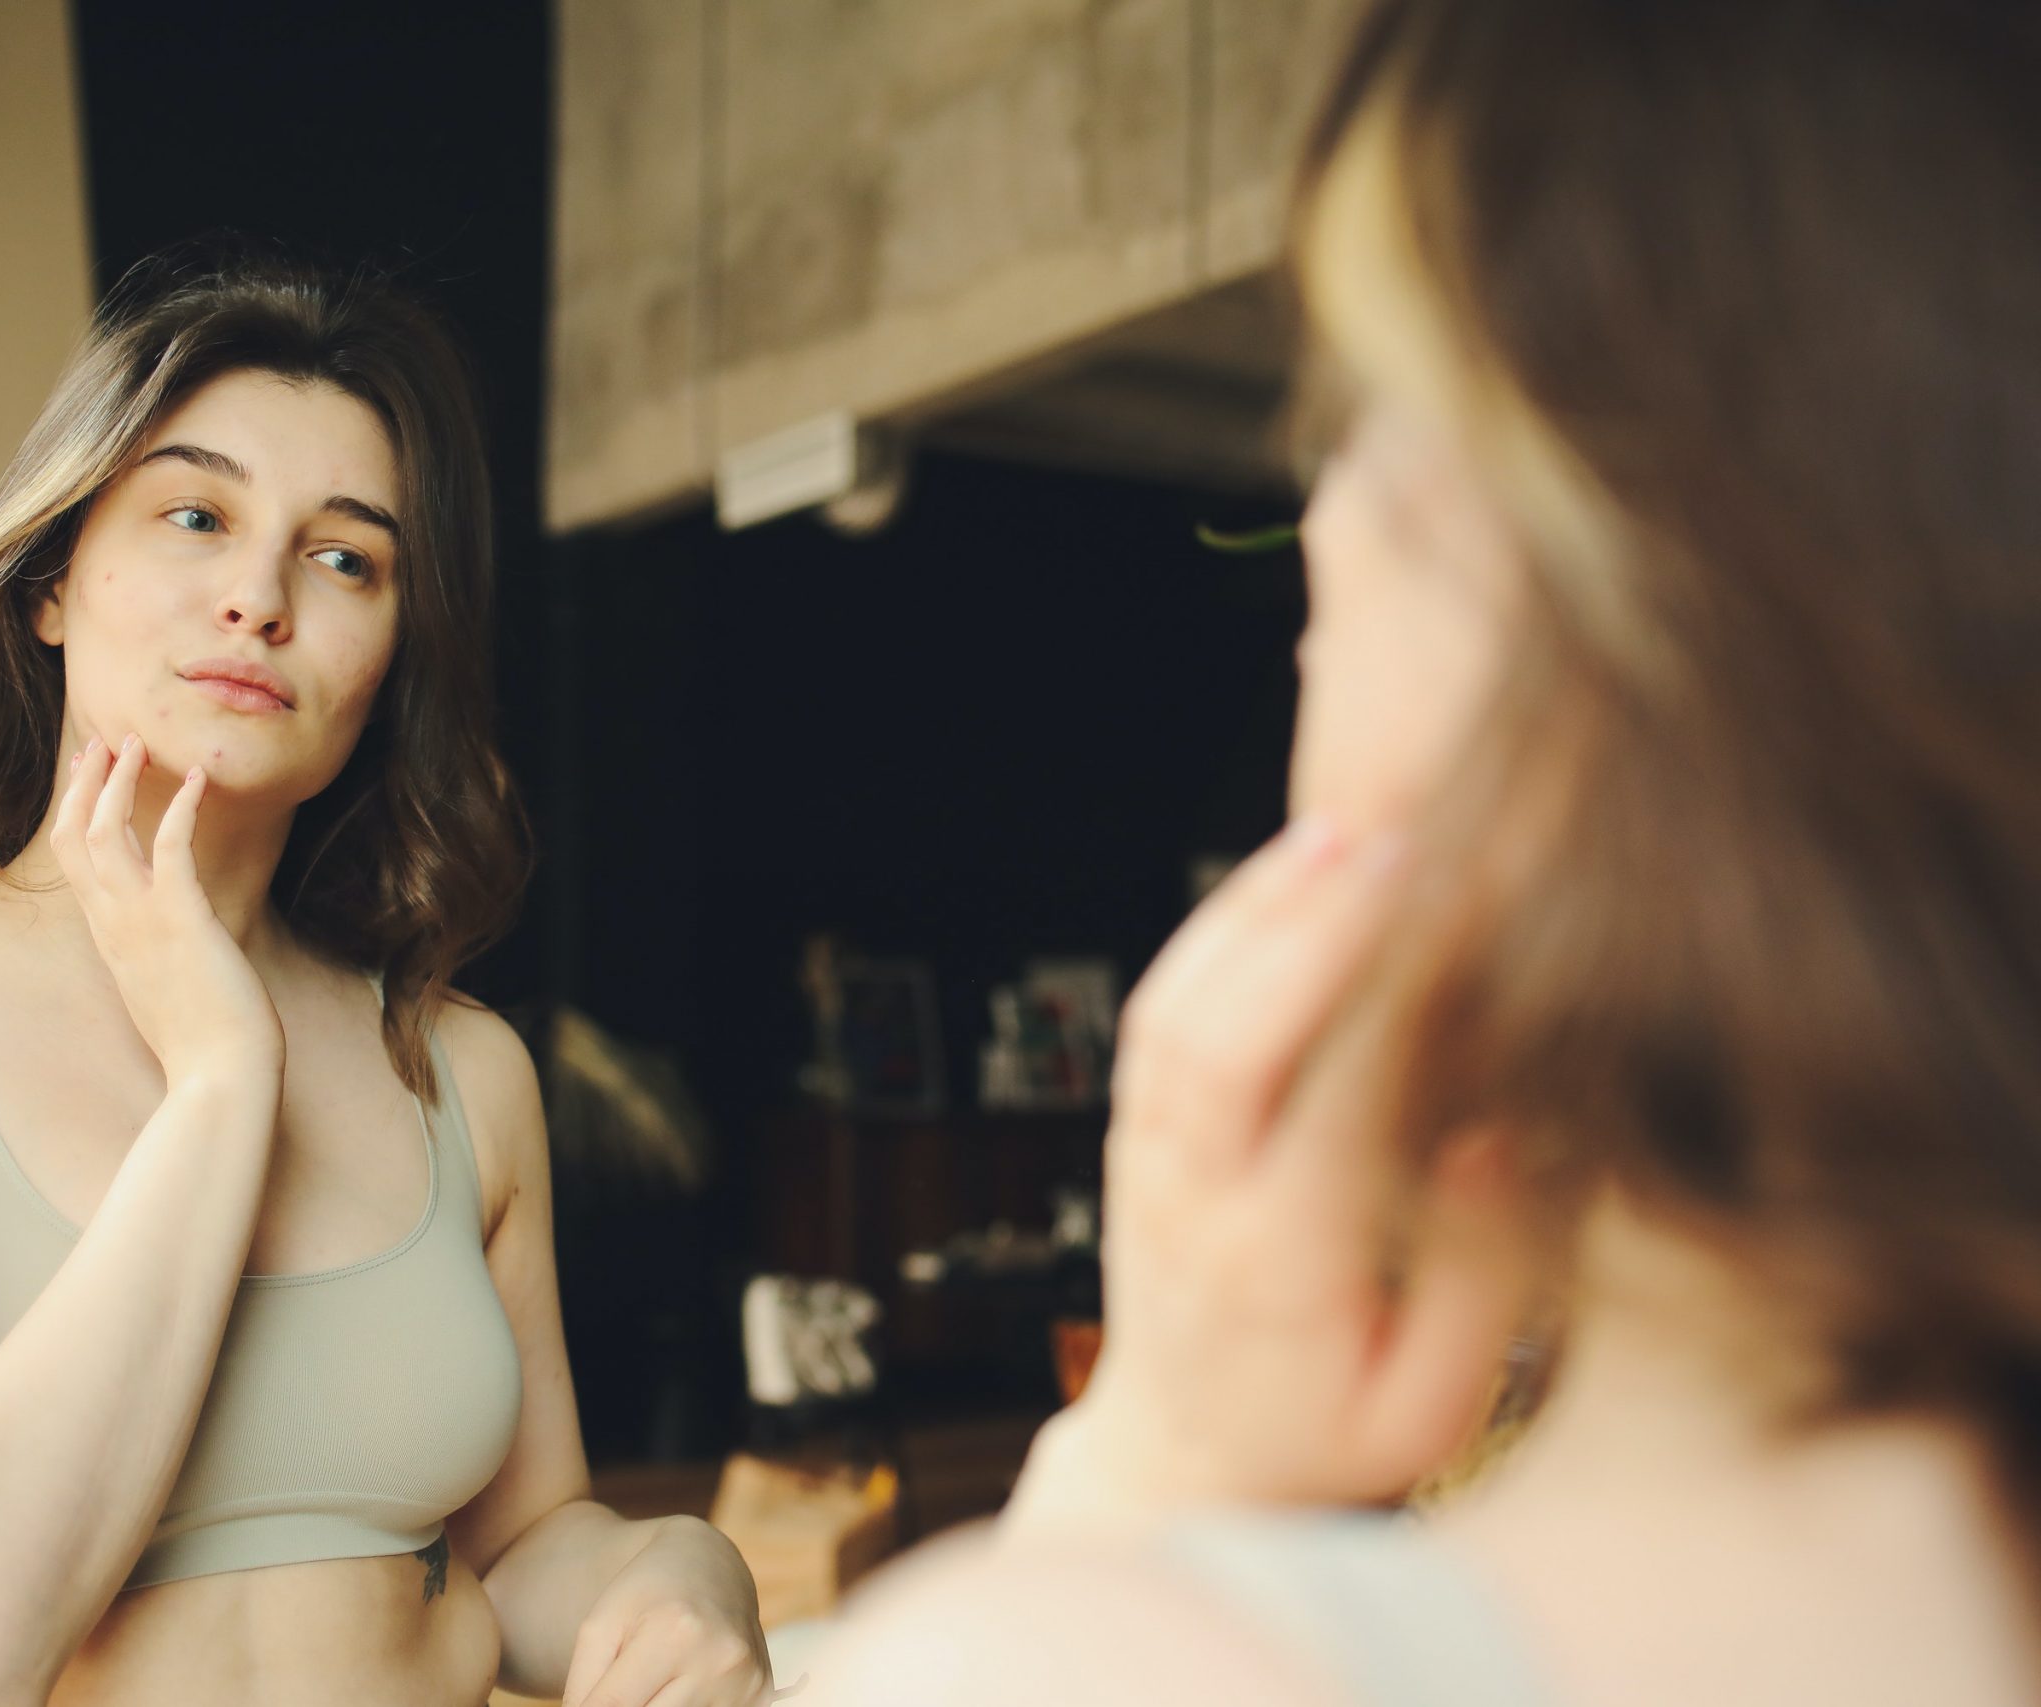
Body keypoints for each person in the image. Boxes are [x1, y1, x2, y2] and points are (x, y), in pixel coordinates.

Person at [806, 1, 2041, 1701]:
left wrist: (1143, 1477)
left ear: (1600, 655)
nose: (1318, 535)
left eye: (1368, 420)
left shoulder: (1077, 1667)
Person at [0, 251, 771, 1707]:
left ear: (390, 656)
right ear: (55, 583)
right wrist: (218, 1081)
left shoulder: (459, 1071)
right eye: (197, 516)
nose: (260, 597)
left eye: (346, 557)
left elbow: (519, 1552)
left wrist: (683, 1570)